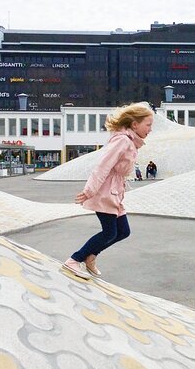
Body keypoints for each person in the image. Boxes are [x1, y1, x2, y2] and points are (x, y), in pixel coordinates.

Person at [63, 102, 154, 279]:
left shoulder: (131, 142)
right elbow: (103, 166)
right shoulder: (122, 141)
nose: (150, 129)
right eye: (148, 125)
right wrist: (90, 191)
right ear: (135, 124)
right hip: (104, 192)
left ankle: (91, 256)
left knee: (123, 231)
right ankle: (75, 260)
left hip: (115, 193)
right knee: (109, 232)